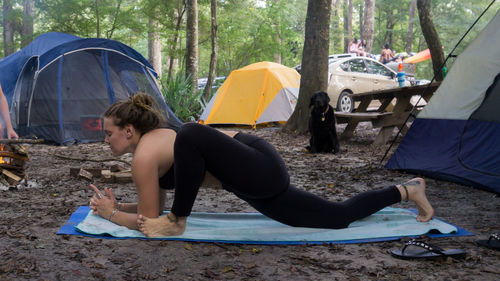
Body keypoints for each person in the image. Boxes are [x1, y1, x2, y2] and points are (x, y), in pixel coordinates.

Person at [89, 93, 434, 237]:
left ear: (129, 131)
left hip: (255, 164)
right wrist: (117, 205)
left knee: (192, 132)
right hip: (249, 177)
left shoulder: (144, 154)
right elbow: (153, 208)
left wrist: (110, 215)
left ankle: (181, 223)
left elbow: (150, 222)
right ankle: (407, 190)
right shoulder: (147, 150)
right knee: (336, 217)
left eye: (109, 134)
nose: (106, 141)